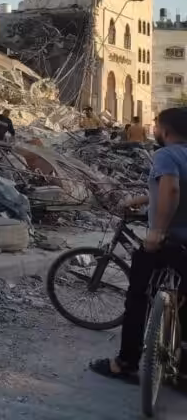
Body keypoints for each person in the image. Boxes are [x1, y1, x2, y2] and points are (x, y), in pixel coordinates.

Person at [89, 106, 187, 382]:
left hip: (170, 241)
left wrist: (156, 230)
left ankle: (126, 363)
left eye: (156, 126)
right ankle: (182, 371)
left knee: (138, 296)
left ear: (165, 131)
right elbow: (165, 188)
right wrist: (141, 201)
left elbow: (171, 188)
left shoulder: (166, 154)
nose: (154, 130)